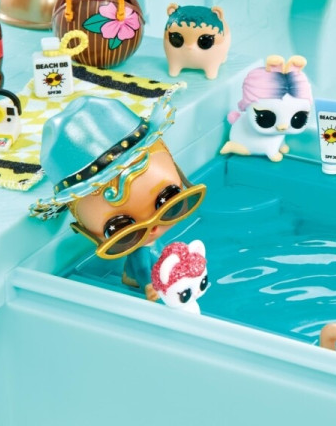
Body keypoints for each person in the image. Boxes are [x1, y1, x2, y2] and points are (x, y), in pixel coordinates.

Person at [30, 95, 206, 301]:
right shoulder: (144, 246)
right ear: (82, 228)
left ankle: (129, 275)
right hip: (148, 276)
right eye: (120, 229)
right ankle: (131, 276)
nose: (153, 229)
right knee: (140, 256)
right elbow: (143, 268)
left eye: (169, 202)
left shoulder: (147, 240)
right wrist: (149, 285)